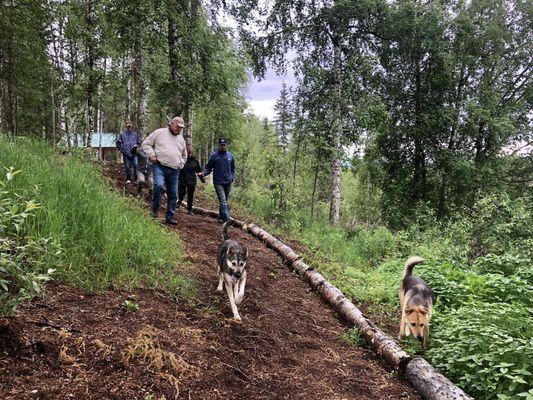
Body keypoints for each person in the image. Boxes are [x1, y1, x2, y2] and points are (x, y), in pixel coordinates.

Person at [142, 116, 187, 225]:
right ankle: (155, 210)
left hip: (174, 170)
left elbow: (184, 155)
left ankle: (169, 216)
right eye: (177, 126)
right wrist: (152, 155)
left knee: (173, 194)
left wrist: (181, 164)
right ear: (171, 124)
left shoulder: (181, 139)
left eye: (181, 128)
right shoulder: (159, 133)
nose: (179, 129)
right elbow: (146, 144)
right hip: (160, 166)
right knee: (158, 186)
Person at [201, 138, 235, 222]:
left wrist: (232, 177)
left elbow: (233, 168)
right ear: (219, 145)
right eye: (221, 145)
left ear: (226, 145)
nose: (223, 146)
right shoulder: (214, 156)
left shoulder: (230, 156)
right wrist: (203, 174)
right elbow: (208, 167)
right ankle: (227, 220)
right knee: (223, 201)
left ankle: (220, 217)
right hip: (218, 182)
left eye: (224, 145)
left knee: (224, 201)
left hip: (228, 181)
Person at [177, 146, 204, 214]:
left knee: (190, 195)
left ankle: (189, 209)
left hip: (192, 180)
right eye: (188, 153)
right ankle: (179, 202)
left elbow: (199, 170)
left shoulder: (195, 161)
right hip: (183, 179)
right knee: (181, 192)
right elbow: (177, 168)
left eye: (191, 153)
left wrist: (202, 179)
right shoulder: (183, 160)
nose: (190, 155)